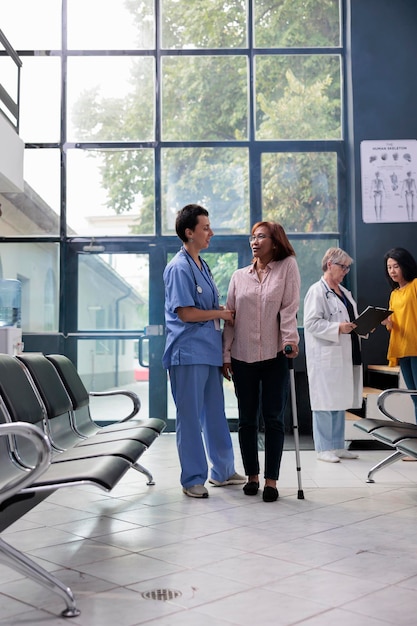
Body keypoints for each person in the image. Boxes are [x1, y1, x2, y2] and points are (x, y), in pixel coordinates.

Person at [163, 203, 245, 498]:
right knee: (189, 417)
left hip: (208, 351)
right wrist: (220, 315)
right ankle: (193, 479)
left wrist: (220, 313)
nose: (211, 232)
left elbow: (206, 308)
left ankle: (222, 471)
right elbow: (185, 313)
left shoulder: (202, 265)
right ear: (189, 232)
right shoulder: (178, 267)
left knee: (215, 413)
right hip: (186, 353)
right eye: (205, 227)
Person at [222, 222, 300, 502]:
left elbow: (289, 307)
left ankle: (271, 481)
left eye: (261, 237)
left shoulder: (287, 266)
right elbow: (231, 318)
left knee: (274, 419)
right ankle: (252, 476)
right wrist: (226, 355)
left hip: (274, 355)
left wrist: (290, 340)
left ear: (275, 242)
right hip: (242, 356)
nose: (254, 242)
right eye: (253, 237)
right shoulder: (238, 276)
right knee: (246, 420)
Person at [304, 247, 362, 463]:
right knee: (324, 403)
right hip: (325, 356)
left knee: (338, 401)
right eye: (343, 267)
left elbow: (353, 320)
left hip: (344, 352)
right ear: (330, 264)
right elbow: (310, 323)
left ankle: (337, 446)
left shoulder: (344, 292)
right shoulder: (316, 291)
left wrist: (367, 324)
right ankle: (323, 448)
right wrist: (338, 328)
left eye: (348, 267)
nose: (346, 271)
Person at [382, 247, 417, 427]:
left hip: (416, 347)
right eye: (389, 267)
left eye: (396, 266)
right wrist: (387, 322)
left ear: (405, 265)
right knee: (414, 397)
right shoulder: (394, 294)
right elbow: (395, 325)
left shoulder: (416, 285)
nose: (393, 271)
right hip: (403, 349)